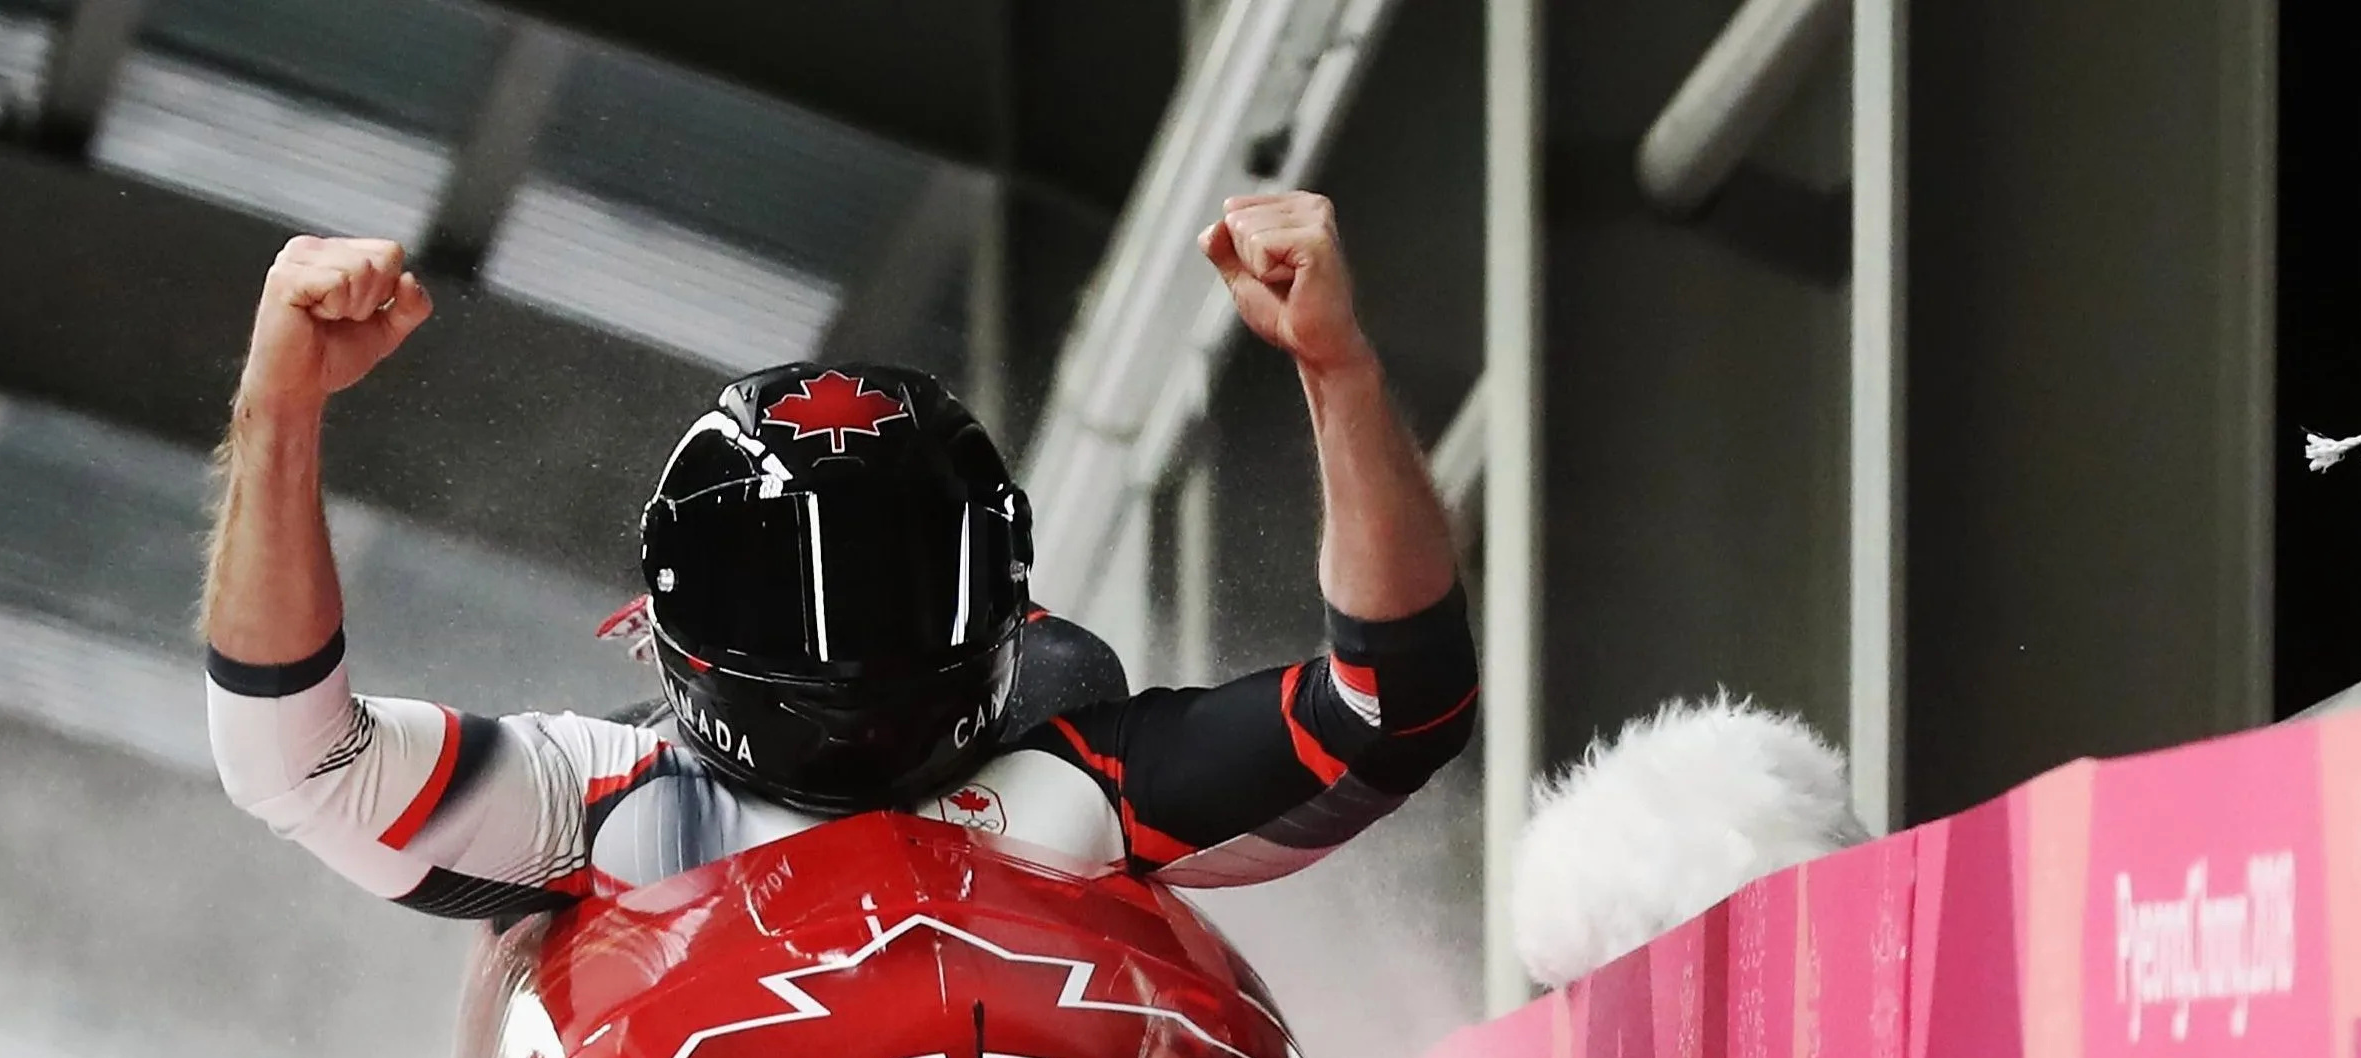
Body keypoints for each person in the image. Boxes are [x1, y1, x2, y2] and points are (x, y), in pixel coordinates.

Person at [201, 192, 1473, 912]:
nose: (843, 637)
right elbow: (293, 756)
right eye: (782, 582)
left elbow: (1395, 702)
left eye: (897, 581)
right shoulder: (610, 799)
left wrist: (1336, 370)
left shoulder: (1079, 778)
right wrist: (280, 407)